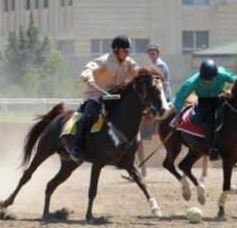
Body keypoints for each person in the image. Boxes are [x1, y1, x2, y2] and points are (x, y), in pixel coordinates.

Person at [68, 34, 140, 162]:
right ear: (116, 49)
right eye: (125, 51)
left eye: (128, 51)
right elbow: (89, 67)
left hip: (116, 98)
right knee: (88, 115)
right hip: (97, 95)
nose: (127, 54)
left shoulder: (128, 62)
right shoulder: (104, 60)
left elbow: (138, 72)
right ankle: (75, 147)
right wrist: (89, 77)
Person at [171, 59, 237, 161]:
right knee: (208, 119)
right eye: (205, 79)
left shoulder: (222, 73)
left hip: (220, 96)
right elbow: (180, 97)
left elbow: (236, 80)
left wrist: (231, 89)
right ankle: (212, 149)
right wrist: (177, 116)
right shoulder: (192, 81)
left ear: (216, 75)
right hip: (204, 101)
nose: (207, 81)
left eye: (210, 79)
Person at [133, 44, 172, 177]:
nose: (152, 55)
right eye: (150, 53)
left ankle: (141, 169)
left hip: (162, 101)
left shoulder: (159, 67)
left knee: (140, 134)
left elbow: (158, 88)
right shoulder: (154, 66)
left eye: (154, 53)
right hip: (160, 100)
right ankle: (140, 168)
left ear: (158, 53)